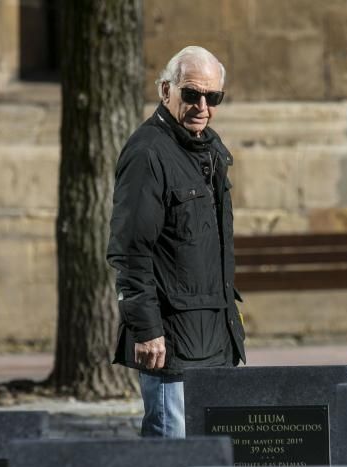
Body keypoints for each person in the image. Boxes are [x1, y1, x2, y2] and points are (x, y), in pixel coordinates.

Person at [107, 46, 245, 437]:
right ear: (165, 90)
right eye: (191, 94)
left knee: (210, 457)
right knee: (170, 453)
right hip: (169, 342)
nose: (202, 105)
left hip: (214, 338)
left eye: (213, 97)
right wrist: (147, 330)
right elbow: (130, 251)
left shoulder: (209, 148)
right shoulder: (148, 152)